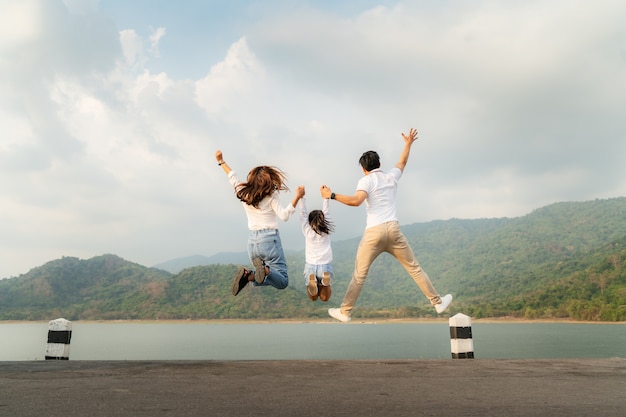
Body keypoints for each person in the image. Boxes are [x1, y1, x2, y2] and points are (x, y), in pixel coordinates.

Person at [321, 128, 452, 322]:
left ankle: (345, 311)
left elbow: (356, 201)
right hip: (393, 229)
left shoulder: (366, 181)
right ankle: (437, 302)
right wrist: (408, 144)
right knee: (415, 269)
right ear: (380, 164)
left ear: (363, 169)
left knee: (359, 275)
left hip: (374, 233)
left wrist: (331, 195)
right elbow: (402, 162)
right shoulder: (390, 176)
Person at [215, 150, 304, 296]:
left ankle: (249, 275)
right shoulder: (271, 195)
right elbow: (284, 216)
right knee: (282, 281)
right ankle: (264, 270)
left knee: (261, 276)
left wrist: (221, 161)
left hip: (252, 243)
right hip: (269, 240)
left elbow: (233, 177)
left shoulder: (243, 192)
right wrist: (297, 197)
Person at [299, 187, 335, 302]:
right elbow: (326, 211)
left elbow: (303, 214)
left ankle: (313, 280)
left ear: (309, 223)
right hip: (325, 265)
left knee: (313, 298)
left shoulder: (307, 230)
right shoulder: (326, 229)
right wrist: (325, 198)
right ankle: (324, 282)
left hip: (310, 265)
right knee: (325, 298)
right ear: (324, 220)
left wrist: (301, 198)